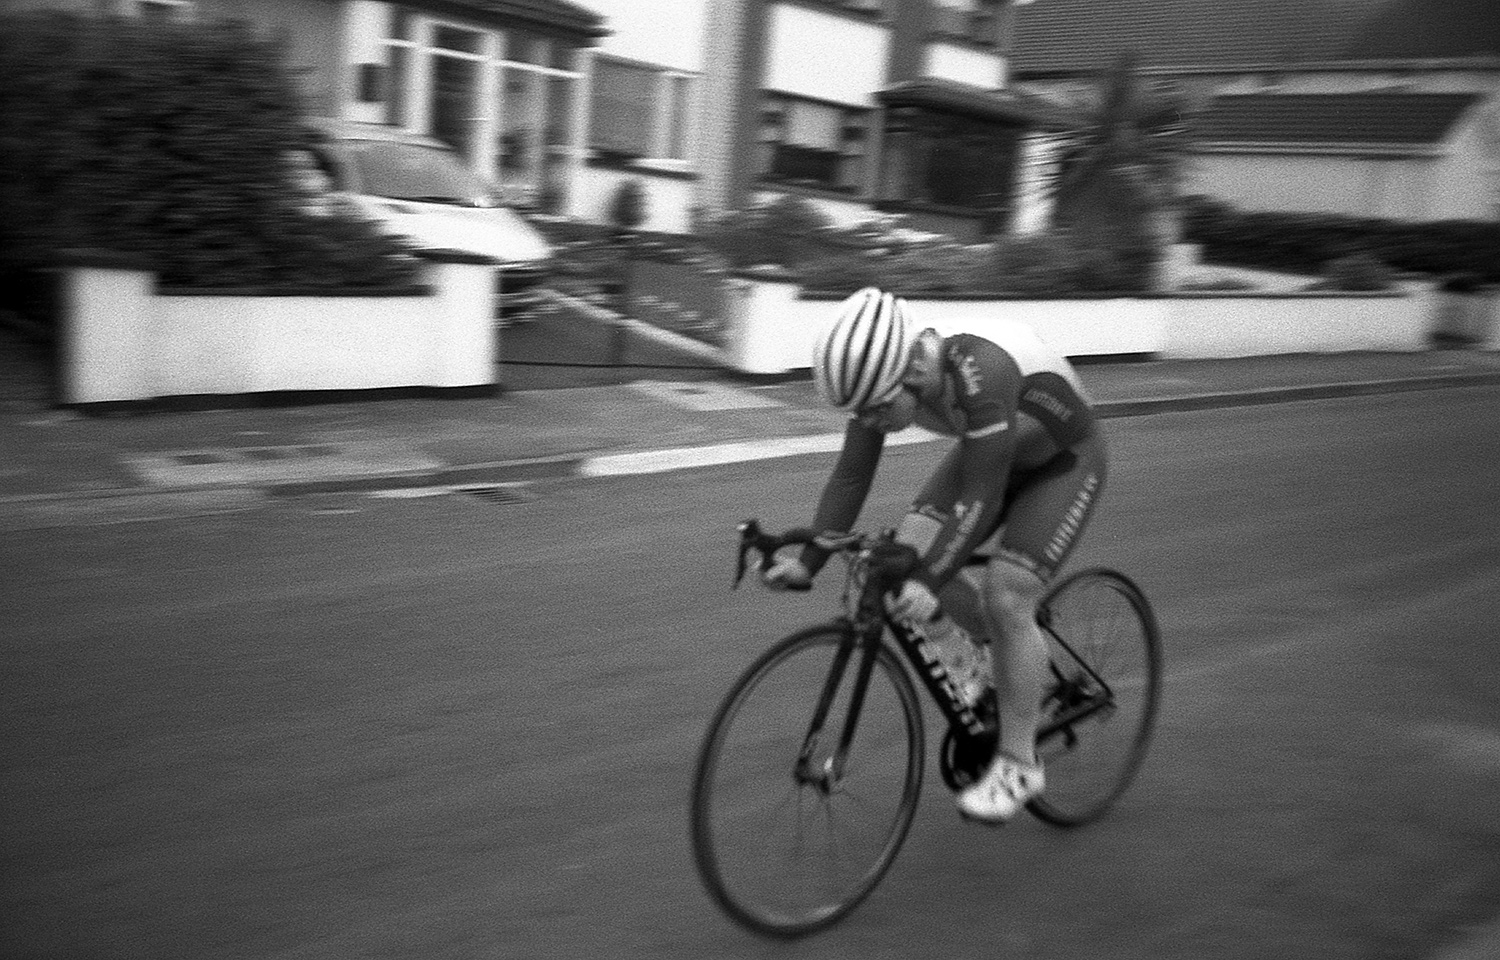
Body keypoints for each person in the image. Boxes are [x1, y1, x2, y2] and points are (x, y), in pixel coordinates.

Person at [761, 286, 1107, 824]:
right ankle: (986, 662)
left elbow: (984, 495)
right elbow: (852, 475)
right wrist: (808, 562)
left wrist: (928, 578)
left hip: (1063, 461)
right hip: (994, 452)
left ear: (911, 375)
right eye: (862, 415)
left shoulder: (981, 370)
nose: (870, 424)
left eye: (875, 412)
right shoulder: (884, 376)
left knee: (1005, 593)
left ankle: (1019, 763)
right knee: (910, 547)